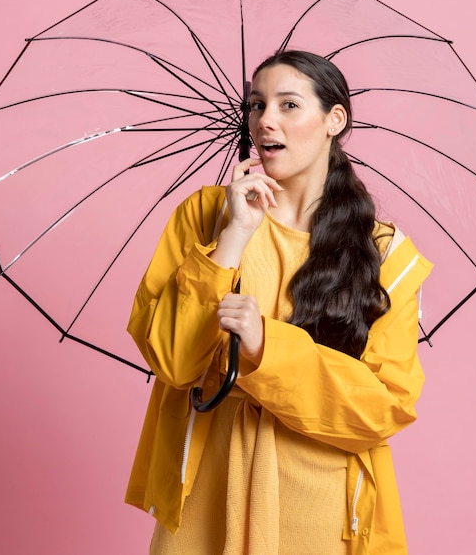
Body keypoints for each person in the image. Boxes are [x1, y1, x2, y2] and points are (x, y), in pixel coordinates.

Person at [125, 50, 433, 554]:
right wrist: (233, 237)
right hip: (209, 492)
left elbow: (384, 408)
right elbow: (172, 361)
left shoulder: (386, 254)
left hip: (317, 503)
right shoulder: (206, 215)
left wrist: (267, 346)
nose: (264, 120)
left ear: (335, 120)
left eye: (289, 105)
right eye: (257, 104)